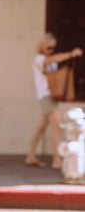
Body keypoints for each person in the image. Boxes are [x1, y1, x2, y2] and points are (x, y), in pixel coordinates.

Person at [25, 33, 83, 169]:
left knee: (41, 128)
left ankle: (31, 156)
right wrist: (71, 54)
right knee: (57, 128)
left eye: (53, 48)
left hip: (50, 97)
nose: (51, 51)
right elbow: (52, 60)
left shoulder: (47, 59)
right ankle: (56, 160)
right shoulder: (39, 59)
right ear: (42, 47)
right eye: (49, 48)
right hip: (46, 97)